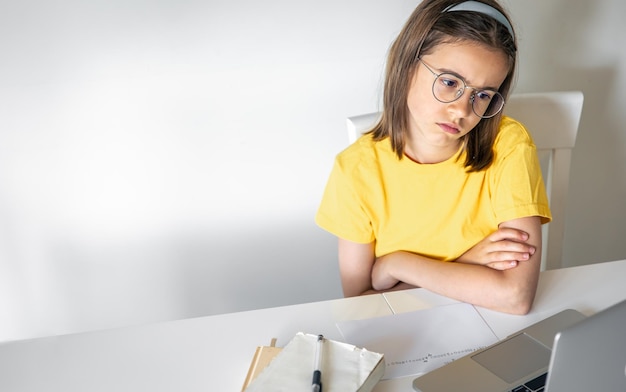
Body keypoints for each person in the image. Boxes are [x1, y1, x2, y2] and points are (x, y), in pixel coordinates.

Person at [315, 0, 551, 315]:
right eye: (450, 82)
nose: (462, 111)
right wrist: (468, 260)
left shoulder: (508, 145)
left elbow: (515, 297)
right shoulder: (356, 170)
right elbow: (362, 304)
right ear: (407, 63)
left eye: (482, 95)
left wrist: (397, 265)